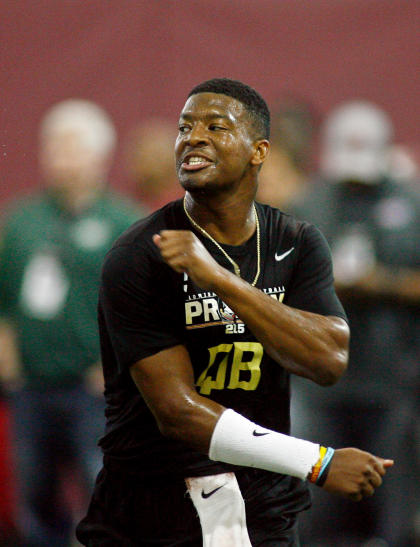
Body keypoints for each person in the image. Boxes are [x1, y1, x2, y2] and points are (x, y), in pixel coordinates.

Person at [76, 79, 393, 547]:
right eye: (185, 127)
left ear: (258, 151)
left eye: (215, 126)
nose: (193, 137)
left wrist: (223, 281)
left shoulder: (297, 241)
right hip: (156, 505)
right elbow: (177, 412)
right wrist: (318, 462)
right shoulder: (140, 253)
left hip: (263, 502)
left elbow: (328, 360)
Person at [0, 99, 145, 547]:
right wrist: (7, 358)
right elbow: (4, 301)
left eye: (70, 147)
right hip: (31, 389)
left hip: (93, 391)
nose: (58, 157)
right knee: (35, 495)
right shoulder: (21, 222)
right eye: (52, 146)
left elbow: (142, 310)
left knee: (101, 492)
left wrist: (116, 368)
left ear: (99, 155)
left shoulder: (123, 222)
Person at [290, 100, 420, 546]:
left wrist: (383, 284)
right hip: (323, 383)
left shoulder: (410, 202)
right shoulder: (309, 202)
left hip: (393, 380)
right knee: (318, 502)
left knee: (392, 502)